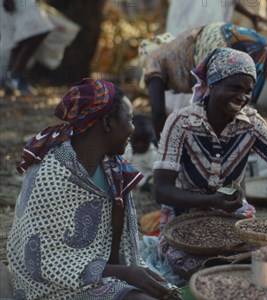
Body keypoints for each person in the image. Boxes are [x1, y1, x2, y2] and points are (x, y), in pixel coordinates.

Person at [152, 48, 267, 279]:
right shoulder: (182, 122)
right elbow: (161, 190)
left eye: (248, 90)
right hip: (184, 215)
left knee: (258, 265)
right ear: (213, 84)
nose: (242, 97)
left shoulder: (251, 123)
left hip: (232, 216)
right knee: (195, 268)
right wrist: (209, 201)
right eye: (235, 88)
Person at [7, 79, 178, 299]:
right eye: (130, 119)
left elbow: (117, 247)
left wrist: (131, 275)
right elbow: (45, 263)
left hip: (101, 275)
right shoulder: (50, 175)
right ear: (107, 122)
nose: (133, 129)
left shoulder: (114, 169)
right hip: (49, 287)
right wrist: (126, 275)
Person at [141, 22, 267, 136]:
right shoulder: (174, 49)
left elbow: (157, 112)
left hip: (218, 41)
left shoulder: (153, 60)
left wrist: (162, 144)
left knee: (218, 113)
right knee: (242, 111)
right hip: (250, 40)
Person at [124, 115, 158, 189]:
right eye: (136, 141)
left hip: (144, 182)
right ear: (130, 138)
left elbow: (157, 172)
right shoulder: (126, 149)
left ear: (150, 139)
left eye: (144, 142)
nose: (140, 145)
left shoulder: (152, 153)